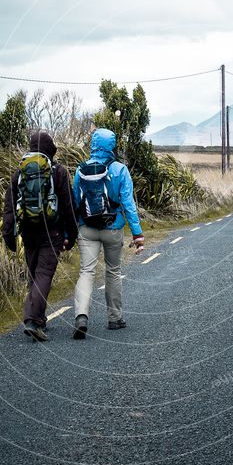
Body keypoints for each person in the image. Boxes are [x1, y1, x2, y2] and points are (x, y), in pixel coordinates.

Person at [3, 130, 78, 342]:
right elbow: (68, 205)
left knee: (34, 274)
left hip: (28, 232)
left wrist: (8, 236)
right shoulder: (58, 172)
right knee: (44, 274)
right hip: (52, 232)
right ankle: (31, 320)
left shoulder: (19, 174)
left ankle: (38, 319)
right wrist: (71, 235)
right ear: (50, 148)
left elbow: (9, 208)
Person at [72, 128, 144, 338]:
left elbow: (76, 200)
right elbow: (128, 204)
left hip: (87, 229)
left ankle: (81, 316)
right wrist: (137, 234)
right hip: (113, 229)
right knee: (113, 271)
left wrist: (76, 225)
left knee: (86, 272)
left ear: (93, 144)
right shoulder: (120, 170)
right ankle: (115, 318)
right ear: (112, 146)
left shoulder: (81, 170)